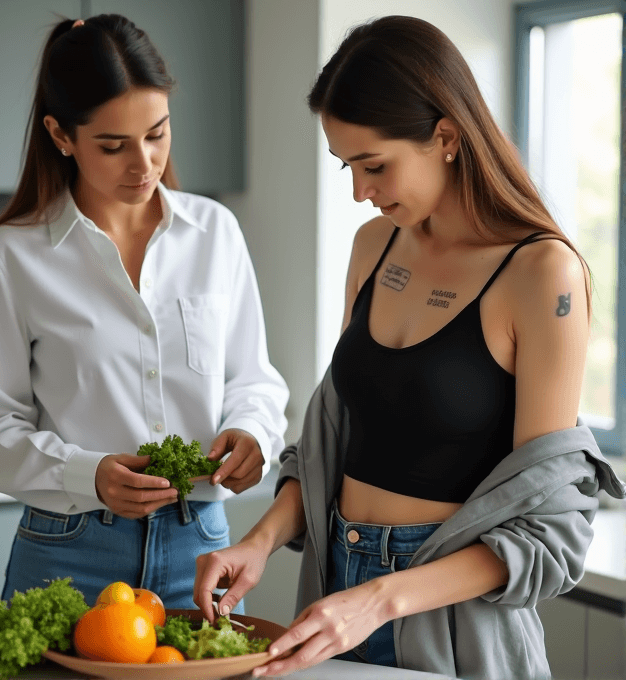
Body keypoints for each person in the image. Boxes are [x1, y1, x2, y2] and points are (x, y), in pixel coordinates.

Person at [192, 15, 626, 679]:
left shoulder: (543, 275)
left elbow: (548, 528)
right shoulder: (375, 247)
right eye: (348, 167)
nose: (361, 192)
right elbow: (333, 443)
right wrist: (259, 540)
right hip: (336, 596)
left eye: (375, 166)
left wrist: (380, 600)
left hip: (451, 622)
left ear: (446, 137)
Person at [0, 14, 288, 612]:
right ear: (61, 135)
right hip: (68, 553)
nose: (144, 164)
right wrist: (89, 473)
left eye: (157, 134)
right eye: (113, 145)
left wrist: (254, 433)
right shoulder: (12, 256)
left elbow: (252, 379)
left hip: (202, 551)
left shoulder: (215, 233)